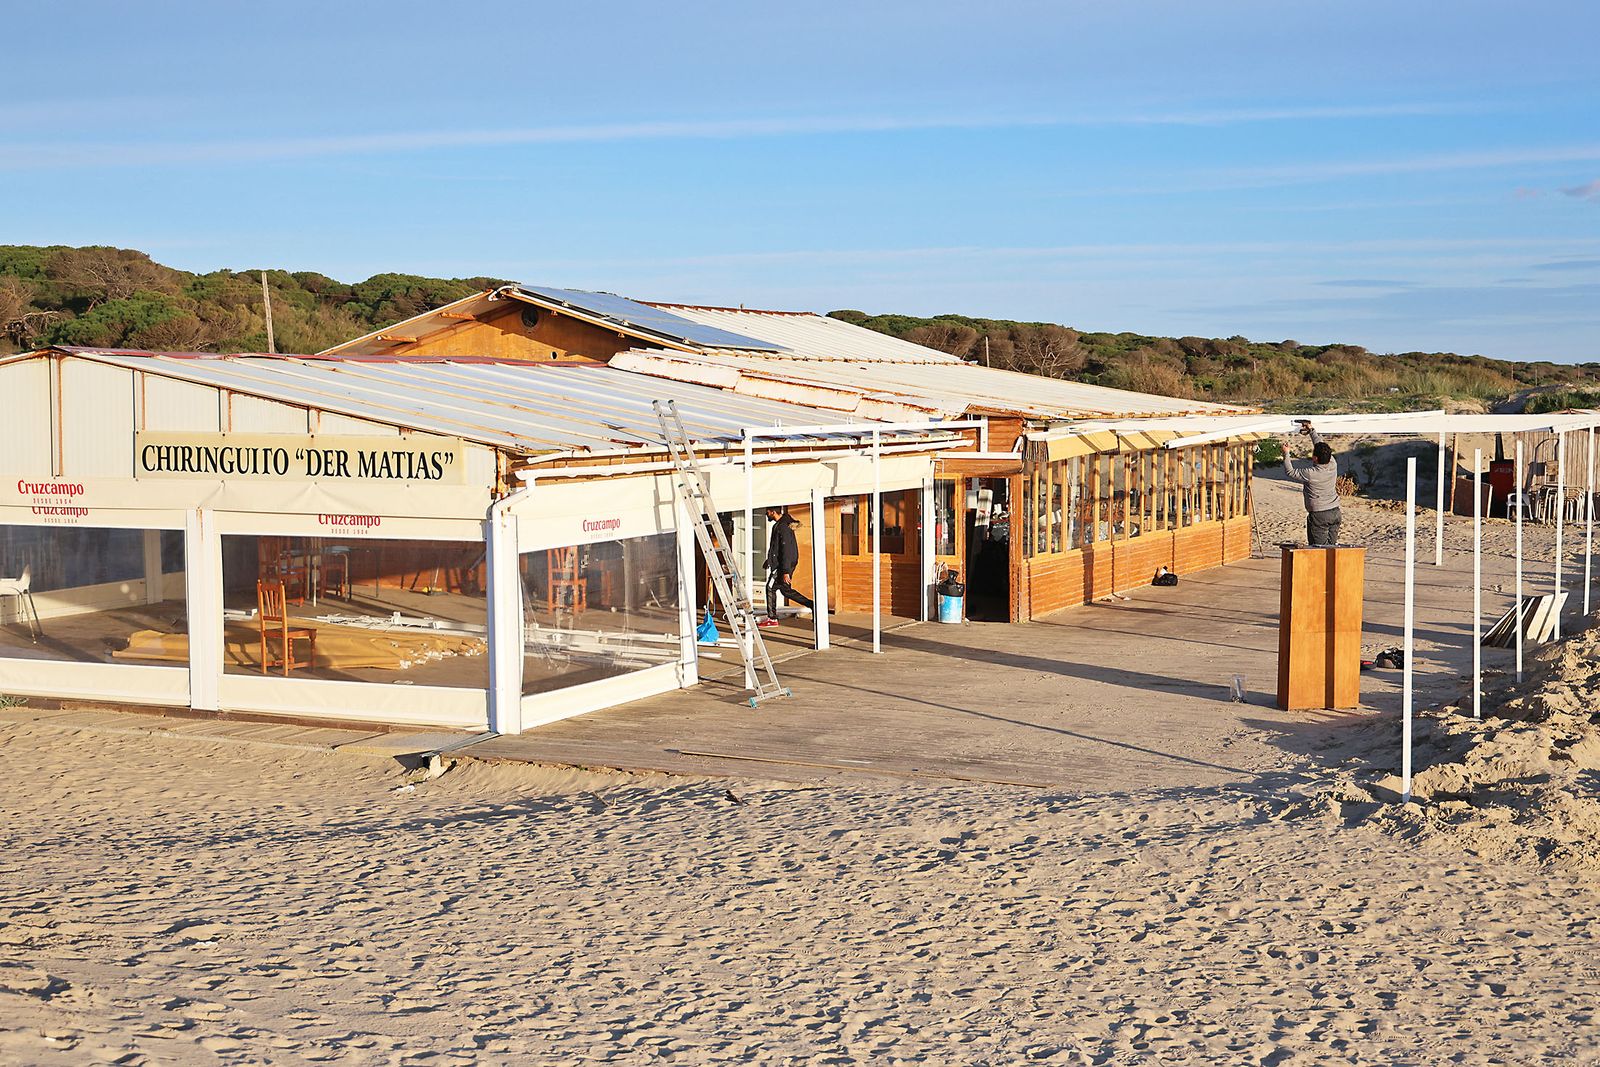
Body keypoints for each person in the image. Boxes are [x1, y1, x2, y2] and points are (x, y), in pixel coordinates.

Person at [1281, 422, 1342, 546]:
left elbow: (1290, 472)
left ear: (1315, 458)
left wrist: (1286, 453)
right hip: (1335, 512)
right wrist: (1312, 431)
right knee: (1331, 549)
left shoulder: (1311, 473)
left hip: (1320, 515)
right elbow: (1320, 446)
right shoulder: (1332, 464)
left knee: (1318, 550)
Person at [759, 506, 814, 628]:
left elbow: (786, 550)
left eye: (767, 512)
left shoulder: (782, 527)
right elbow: (778, 548)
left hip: (783, 565)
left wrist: (785, 571)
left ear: (773, 512)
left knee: (770, 587)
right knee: (786, 591)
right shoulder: (782, 524)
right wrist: (770, 560)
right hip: (783, 564)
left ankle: (772, 618)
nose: (766, 515)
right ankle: (813, 605)